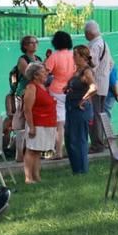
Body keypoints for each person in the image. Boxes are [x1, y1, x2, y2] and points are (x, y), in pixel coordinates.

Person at [64, 44, 99, 175]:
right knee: (70, 139)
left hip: (80, 110)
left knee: (79, 139)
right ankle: (76, 169)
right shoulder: (77, 71)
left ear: (83, 57)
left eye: (75, 55)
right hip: (71, 108)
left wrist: (83, 100)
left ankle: (82, 170)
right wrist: (67, 88)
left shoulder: (86, 71)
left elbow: (93, 87)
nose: (73, 57)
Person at [22, 61, 58, 183]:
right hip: (37, 124)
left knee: (37, 151)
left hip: (46, 123)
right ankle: (28, 178)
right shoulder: (31, 87)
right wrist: (31, 127)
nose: (46, 74)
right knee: (31, 150)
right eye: (43, 72)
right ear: (36, 75)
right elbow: (27, 109)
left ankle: (36, 176)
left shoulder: (43, 87)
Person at [9, 36, 43, 162]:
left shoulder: (38, 59)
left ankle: (33, 151)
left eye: (36, 42)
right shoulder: (22, 60)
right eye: (31, 43)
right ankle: (19, 153)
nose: (34, 45)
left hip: (36, 94)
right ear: (25, 46)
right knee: (21, 124)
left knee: (34, 123)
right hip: (23, 94)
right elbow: (29, 75)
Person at [84, 21, 114, 152]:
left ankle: (97, 144)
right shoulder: (105, 43)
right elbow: (111, 64)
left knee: (94, 116)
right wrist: (104, 74)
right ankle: (104, 141)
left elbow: (93, 63)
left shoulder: (94, 46)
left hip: (94, 84)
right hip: (103, 84)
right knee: (101, 114)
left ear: (89, 33)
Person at [46, 31, 76, 160]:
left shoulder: (54, 56)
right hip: (72, 90)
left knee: (59, 124)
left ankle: (58, 152)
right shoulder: (74, 55)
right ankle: (72, 149)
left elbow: (45, 72)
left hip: (56, 91)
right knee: (70, 121)